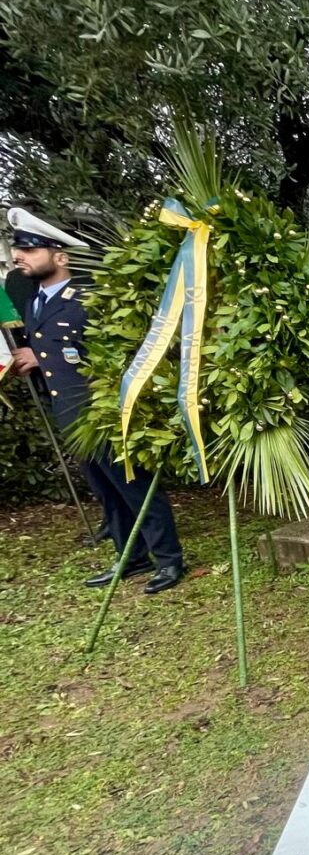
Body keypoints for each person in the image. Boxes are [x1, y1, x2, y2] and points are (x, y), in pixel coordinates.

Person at [7, 208, 187, 592]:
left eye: (30, 249)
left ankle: (169, 560)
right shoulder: (33, 303)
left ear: (60, 256)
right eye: (17, 249)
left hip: (103, 412)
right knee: (107, 492)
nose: (19, 256)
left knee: (134, 486)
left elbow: (119, 353)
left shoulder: (88, 299)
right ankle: (132, 557)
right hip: (70, 413)